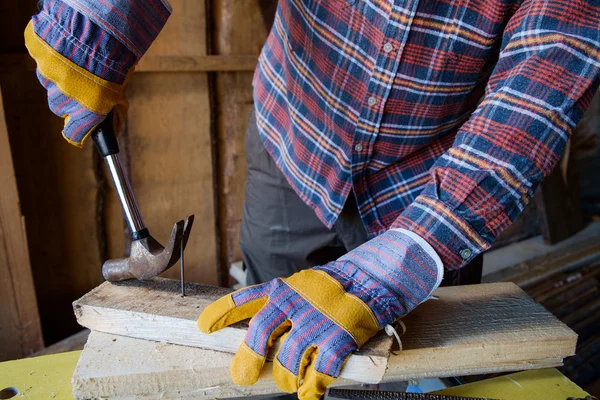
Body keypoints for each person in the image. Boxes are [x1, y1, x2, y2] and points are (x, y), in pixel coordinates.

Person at [26, 0, 600, 399]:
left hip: (430, 179)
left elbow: (555, 60)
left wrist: (416, 250)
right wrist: (93, 26)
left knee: (417, 359)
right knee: (274, 345)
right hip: (296, 128)